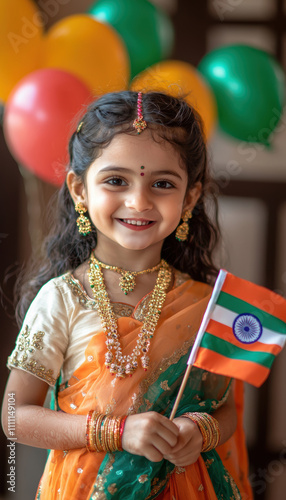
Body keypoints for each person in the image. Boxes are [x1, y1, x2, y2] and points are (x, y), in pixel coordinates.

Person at [2, 91, 252, 500]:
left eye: (162, 184)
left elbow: (223, 408)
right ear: (79, 189)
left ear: (189, 197)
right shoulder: (63, 298)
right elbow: (14, 416)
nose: (139, 201)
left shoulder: (208, 304)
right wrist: (116, 432)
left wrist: (200, 430)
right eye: (116, 180)